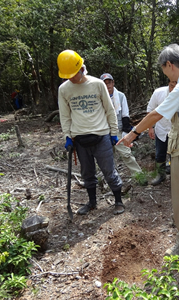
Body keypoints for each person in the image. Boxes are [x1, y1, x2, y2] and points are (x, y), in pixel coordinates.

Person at [118, 44, 179, 257]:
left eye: (163, 68)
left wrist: (133, 133)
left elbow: (155, 114)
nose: (164, 73)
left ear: (169, 65)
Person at [57, 50, 125, 216]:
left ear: (81, 68)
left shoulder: (97, 84)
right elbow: (65, 115)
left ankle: (118, 201)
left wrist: (114, 133)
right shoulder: (64, 89)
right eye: (68, 76)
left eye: (73, 74)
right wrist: (67, 136)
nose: (72, 78)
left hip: (101, 136)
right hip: (80, 139)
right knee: (87, 173)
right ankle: (92, 202)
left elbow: (110, 110)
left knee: (109, 171)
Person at [100, 73, 142, 176]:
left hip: (118, 129)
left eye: (109, 82)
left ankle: (138, 175)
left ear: (113, 83)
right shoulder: (99, 97)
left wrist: (125, 131)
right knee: (106, 155)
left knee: (126, 153)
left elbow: (125, 114)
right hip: (104, 129)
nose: (107, 85)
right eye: (104, 83)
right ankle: (108, 176)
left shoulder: (121, 96)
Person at [146, 80, 177, 185]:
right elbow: (150, 110)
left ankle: (175, 177)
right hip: (161, 129)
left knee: (175, 155)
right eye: (172, 86)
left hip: (176, 131)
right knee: (160, 154)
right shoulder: (159, 93)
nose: (173, 89)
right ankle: (161, 175)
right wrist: (150, 127)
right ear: (169, 84)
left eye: (176, 86)